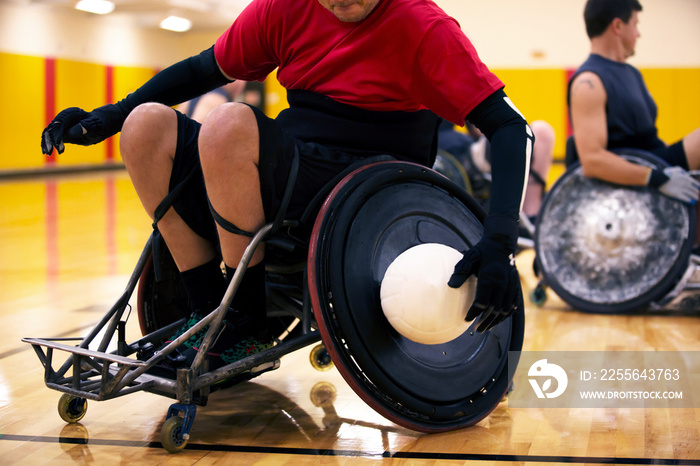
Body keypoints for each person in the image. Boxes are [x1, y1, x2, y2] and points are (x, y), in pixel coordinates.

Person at [40, 0, 534, 371]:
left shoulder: (423, 26)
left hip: (368, 184)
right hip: (295, 161)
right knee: (145, 125)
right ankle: (207, 307)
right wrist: (111, 115)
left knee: (228, 124)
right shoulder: (286, 7)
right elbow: (199, 69)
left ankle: (247, 321)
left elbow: (512, 128)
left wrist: (498, 241)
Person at [568, 0, 700, 205]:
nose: (639, 34)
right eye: (635, 24)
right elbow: (593, 161)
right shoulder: (588, 82)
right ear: (618, 26)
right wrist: (657, 178)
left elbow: (647, 137)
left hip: (656, 161)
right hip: (635, 175)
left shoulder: (633, 74)